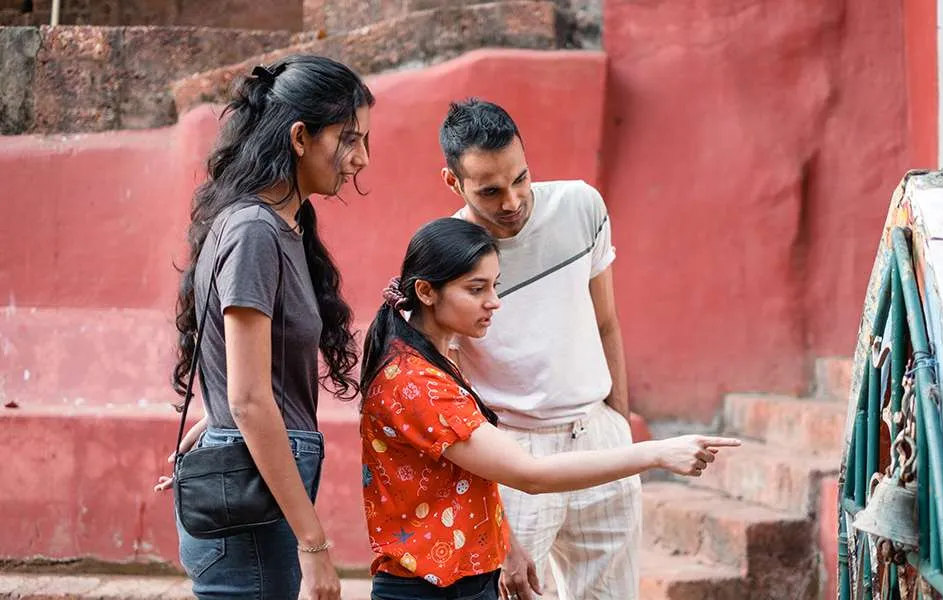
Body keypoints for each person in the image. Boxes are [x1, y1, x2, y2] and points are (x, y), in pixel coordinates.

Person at [359, 217, 740, 600]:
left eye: (495, 286)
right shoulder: (413, 382)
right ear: (426, 292)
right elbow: (532, 475)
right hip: (428, 588)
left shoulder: (432, 361)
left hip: (461, 579)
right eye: (476, 289)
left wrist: (506, 545)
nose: (493, 302)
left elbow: (470, 473)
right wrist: (656, 452)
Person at [154, 55, 374, 600]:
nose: (361, 159)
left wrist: (216, 415)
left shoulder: (275, 225)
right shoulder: (256, 230)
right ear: (300, 137)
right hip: (254, 506)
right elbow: (252, 399)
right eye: (349, 139)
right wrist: (315, 544)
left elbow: (245, 377)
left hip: (256, 486)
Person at [437, 98, 642, 600]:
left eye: (520, 178)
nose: (512, 201)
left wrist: (618, 425)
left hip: (599, 438)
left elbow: (606, 320)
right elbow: (448, 387)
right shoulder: (444, 257)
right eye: (490, 190)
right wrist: (499, 530)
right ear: (453, 182)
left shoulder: (581, 206)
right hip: (510, 454)